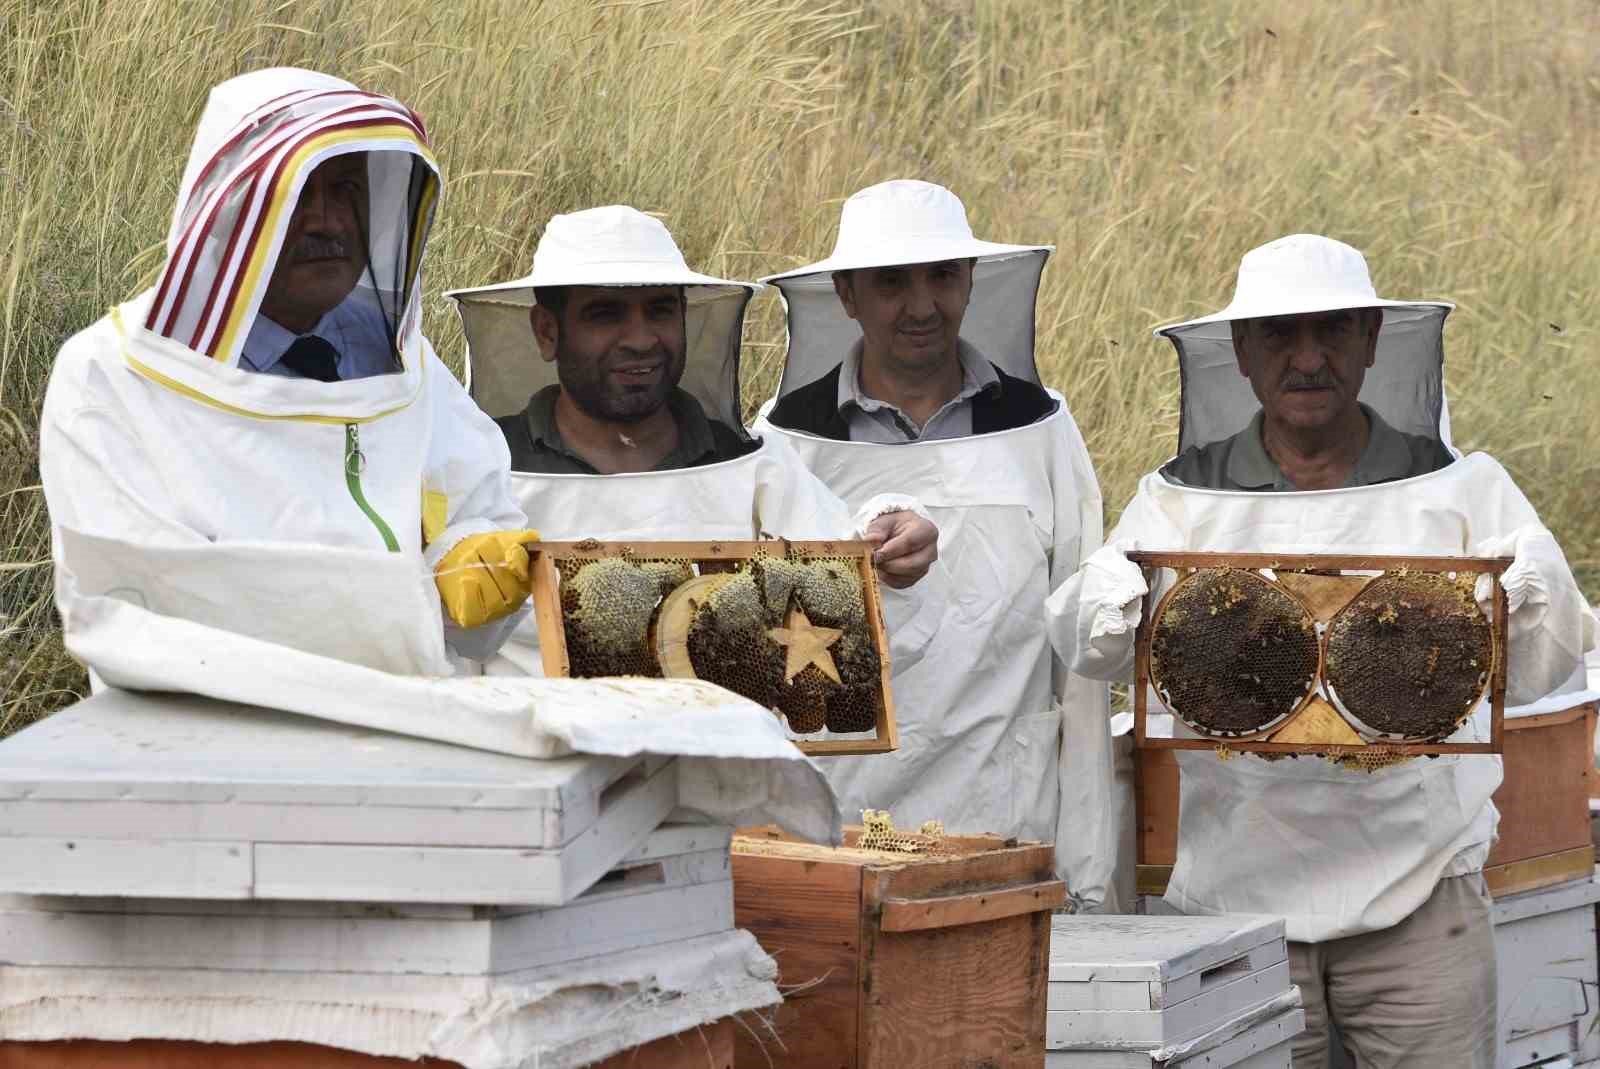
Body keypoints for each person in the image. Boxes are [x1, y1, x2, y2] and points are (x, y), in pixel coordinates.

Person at [1048, 233, 1596, 1067]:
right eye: (1280, 334)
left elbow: (1554, 658)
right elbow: (1084, 638)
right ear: (1240, 351)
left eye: (1333, 331)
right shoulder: (1178, 501)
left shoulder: (1460, 488)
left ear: (1372, 341)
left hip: (1422, 905)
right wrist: (1109, 601)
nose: (1308, 358)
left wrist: (1531, 593)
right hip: (1238, 909)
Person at [39, 67, 538, 695]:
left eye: (348, 189)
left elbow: (473, 508)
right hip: (217, 751)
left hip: (418, 738)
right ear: (227, 209)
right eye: (299, 192)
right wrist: (415, 599)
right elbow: (154, 611)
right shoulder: (112, 376)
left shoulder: (400, 360)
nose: (327, 221)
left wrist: (473, 556)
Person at [754, 179, 1117, 910]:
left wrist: (1090, 871)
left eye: (941, 276)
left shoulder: (1040, 428)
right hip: (848, 839)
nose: (921, 305)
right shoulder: (781, 440)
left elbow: (1080, 662)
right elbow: (763, 661)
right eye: (892, 281)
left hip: (1007, 833)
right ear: (847, 293)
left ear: (971, 280)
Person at [447, 204, 940, 679]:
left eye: (660, 311)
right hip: (542, 755)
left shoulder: (752, 466)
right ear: (548, 331)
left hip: (720, 756)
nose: (640, 339)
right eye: (605, 314)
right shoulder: (483, 469)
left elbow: (854, 621)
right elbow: (446, 652)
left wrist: (893, 564)